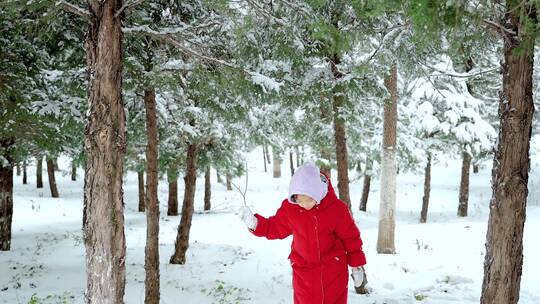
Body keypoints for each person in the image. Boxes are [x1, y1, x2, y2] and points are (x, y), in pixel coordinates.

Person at [239, 161, 368, 304]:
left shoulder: (336, 209)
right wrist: (256, 224)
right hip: (304, 274)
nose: (305, 205)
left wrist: (357, 266)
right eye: (301, 201)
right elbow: (274, 227)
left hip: (332, 273)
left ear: (318, 192)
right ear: (294, 196)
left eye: (310, 200)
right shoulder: (291, 209)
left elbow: (351, 239)